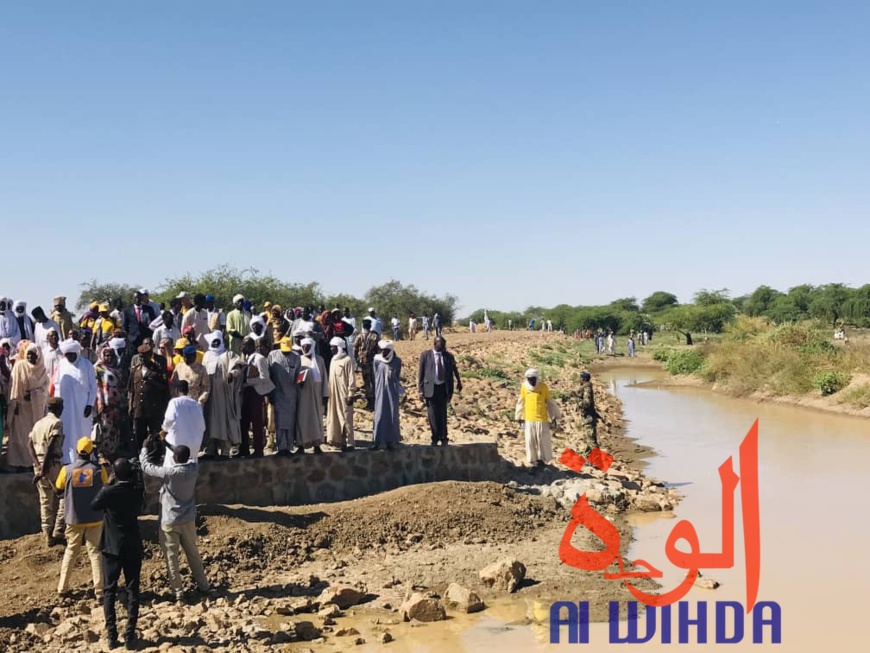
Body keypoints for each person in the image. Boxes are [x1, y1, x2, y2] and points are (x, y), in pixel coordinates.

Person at [139, 439, 211, 603]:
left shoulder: (169, 473)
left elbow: (147, 467)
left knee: (172, 558)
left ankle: (178, 592)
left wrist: (144, 448)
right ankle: (204, 586)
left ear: (176, 458)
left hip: (170, 520)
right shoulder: (193, 468)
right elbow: (187, 455)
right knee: (193, 553)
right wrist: (168, 445)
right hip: (188, 519)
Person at [90, 457, 144, 650]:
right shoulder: (136, 490)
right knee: (132, 589)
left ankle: (112, 636)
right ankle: (130, 635)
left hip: (111, 547)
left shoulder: (109, 491)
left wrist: (109, 482)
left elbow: (94, 505)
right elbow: (141, 502)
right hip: (131, 545)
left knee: (109, 591)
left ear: (114, 473)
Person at [56, 437, 108, 600]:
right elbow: (106, 486)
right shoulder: (99, 470)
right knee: (94, 553)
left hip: (74, 518)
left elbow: (58, 488)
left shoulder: (67, 470)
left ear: (78, 451)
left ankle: (62, 588)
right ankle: (99, 591)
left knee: (71, 551)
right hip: (95, 518)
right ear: (91, 452)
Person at [28, 396, 67, 546]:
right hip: (51, 463)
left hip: (38, 463)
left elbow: (29, 444)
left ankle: (47, 534)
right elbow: (51, 446)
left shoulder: (39, 423)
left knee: (45, 500)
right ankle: (58, 530)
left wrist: (37, 466)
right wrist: (44, 468)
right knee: (63, 496)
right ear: (58, 409)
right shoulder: (56, 423)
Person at [6, 342, 49, 470]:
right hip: (21, 409)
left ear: (39, 355)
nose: (30, 357)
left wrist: (35, 394)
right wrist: (15, 403)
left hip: (36, 411)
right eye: (28, 354)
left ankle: (33, 463)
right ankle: (19, 464)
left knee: (35, 437)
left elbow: (45, 389)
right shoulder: (19, 366)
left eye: (33, 354)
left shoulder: (42, 370)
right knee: (20, 437)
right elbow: (13, 387)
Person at [202, 332, 243, 458]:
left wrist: (232, 374)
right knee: (209, 421)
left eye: (217, 341)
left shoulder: (228, 354)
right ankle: (211, 449)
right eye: (213, 342)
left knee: (224, 421)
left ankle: (225, 450)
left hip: (224, 395)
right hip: (209, 395)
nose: (215, 344)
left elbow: (239, 366)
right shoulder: (207, 355)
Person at [55, 339, 97, 464]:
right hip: (66, 406)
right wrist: (58, 403)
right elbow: (57, 384)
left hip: (83, 405)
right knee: (67, 430)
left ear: (76, 353)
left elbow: (93, 387)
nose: (69, 357)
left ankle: (85, 455)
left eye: (71, 355)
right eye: (66, 355)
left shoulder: (86, 364)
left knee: (83, 431)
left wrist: (90, 404)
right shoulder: (62, 364)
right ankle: (68, 458)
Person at [417, 335, 461, 447]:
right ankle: (435, 437)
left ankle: (444, 437)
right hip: (430, 389)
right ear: (435, 344)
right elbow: (421, 374)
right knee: (432, 414)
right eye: (441, 345)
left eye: (444, 345)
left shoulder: (448, 356)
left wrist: (459, 382)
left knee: (443, 414)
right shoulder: (425, 355)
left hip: (443, 388)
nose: (443, 347)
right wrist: (420, 391)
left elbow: (454, 370)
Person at [515, 369, 561, 467]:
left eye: (533, 379)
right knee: (530, 441)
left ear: (537, 378)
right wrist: (519, 417)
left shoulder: (543, 387)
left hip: (542, 419)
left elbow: (550, 403)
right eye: (530, 379)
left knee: (542, 441)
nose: (532, 381)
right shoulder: (524, 387)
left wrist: (555, 416)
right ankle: (533, 462)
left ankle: (542, 461)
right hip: (529, 419)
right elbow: (521, 402)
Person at [128, 340, 170, 449]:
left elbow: (164, 388)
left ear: (149, 356)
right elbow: (131, 390)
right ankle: (140, 455)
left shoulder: (157, 369)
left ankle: (155, 454)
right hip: (139, 408)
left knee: (154, 434)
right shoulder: (135, 370)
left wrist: (152, 381)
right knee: (139, 434)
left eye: (144, 356)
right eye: (140, 356)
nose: (142, 359)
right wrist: (130, 405)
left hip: (153, 408)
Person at [94, 345, 133, 460]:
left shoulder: (117, 369)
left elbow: (121, 387)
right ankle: (103, 454)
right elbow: (97, 387)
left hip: (117, 406)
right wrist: (100, 402)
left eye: (111, 355)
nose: (109, 358)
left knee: (115, 431)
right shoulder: (98, 368)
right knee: (105, 429)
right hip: (105, 407)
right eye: (106, 355)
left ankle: (113, 453)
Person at [239, 337, 273, 458]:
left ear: (251, 346)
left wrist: (249, 382)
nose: (242, 347)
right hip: (246, 393)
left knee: (256, 423)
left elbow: (265, 378)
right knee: (243, 422)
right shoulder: (246, 359)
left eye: (244, 345)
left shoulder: (259, 359)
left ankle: (258, 450)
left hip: (256, 393)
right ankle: (244, 449)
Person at [267, 337, 301, 456]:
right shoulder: (272, 356)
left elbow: (299, 375)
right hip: (277, 393)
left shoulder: (296, 358)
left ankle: (288, 446)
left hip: (291, 395)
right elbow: (269, 374)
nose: (286, 353)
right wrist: (270, 393)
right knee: (279, 422)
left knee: (290, 422)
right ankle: (281, 447)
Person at [162, 380, 206, 465]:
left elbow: (168, 421)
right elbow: (202, 427)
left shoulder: (174, 402)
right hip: (193, 449)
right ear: (187, 390)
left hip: (176, 448)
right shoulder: (196, 404)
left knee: (171, 471)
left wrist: (164, 429)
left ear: (176, 390)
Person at [296, 337, 327, 454]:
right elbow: (296, 380)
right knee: (302, 419)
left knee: (316, 420)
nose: (305, 348)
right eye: (303, 346)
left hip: (317, 396)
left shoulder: (319, 360)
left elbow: (324, 379)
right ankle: (301, 445)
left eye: (307, 346)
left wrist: (325, 395)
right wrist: (299, 381)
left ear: (312, 347)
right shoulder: (299, 360)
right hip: (303, 396)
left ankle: (317, 445)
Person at [325, 337, 355, 451]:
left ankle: (349, 443)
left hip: (344, 395)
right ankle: (336, 440)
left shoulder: (347, 360)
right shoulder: (333, 360)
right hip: (333, 395)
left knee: (346, 418)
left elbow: (351, 378)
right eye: (331, 347)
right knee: (334, 418)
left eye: (333, 347)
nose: (331, 349)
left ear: (339, 348)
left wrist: (351, 394)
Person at [371, 340, 402, 450]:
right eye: (382, 350)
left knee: (392, 414)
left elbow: (397, 376)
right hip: (380, 391)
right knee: (379, 415)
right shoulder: (377, 360)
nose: (383, 352)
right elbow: (375, 375)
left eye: (386, 350)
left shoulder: (397, 361)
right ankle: (377, 441)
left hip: (392, 392)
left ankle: (391, 441)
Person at [353, 318, 380, 410]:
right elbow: (379, 349)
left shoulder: (359, 336)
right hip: (374, 361)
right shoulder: (375, 336)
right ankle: (377, 400)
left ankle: (370, 402)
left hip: (363, 362)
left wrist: (357, 359)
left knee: (367, 382)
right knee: (375, 381)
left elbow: (355, 349)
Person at [577, 372, 600, 455]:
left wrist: (577, 399)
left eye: (580, 378)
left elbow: (587, 403)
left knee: (592, 441)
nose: (579, 380)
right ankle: (587, 457)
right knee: (589, 439)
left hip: (589, 417)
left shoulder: (587, 389)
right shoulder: (586, 388)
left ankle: (598, 462)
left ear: (583, 379)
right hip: (588, 418)